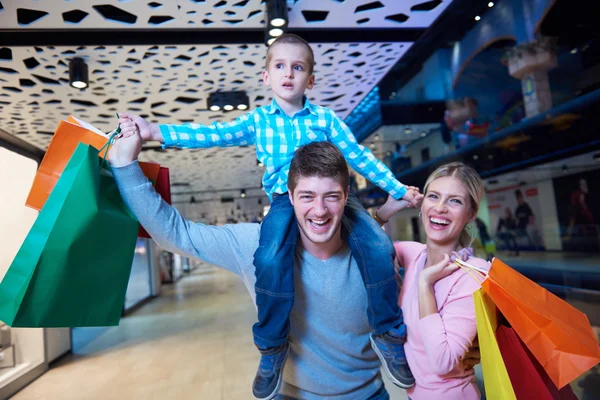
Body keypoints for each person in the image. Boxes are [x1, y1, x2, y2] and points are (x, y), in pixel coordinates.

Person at [117, 33, 420, 399]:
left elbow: (359, 157)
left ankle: (388, 333)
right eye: (280, 66)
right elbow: (213, 134)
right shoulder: (260, 120)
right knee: (269, 257)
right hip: (281, 200)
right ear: (266, 76)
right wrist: (153, 132)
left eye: (298, 67)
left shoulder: (325, 118)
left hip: (341, 196)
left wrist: (397, 188)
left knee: (377, 245)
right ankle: (273, 347)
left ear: (311, 79)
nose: (288, 74)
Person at [108, 138, 478, 399]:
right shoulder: (257, 245)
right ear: (289, 197)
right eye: (307, 197)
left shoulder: (381, 254)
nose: (319, 210)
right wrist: (125, 166)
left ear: (346, 198)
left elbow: (429, 302)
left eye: (331, 196)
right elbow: (176, 234)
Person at [375, 162, 490, 399]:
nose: (440, 207)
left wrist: (425, 285)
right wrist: (385, 211)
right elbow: (361, 250)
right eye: (434, 196)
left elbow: (443, 361)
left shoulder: (473, 274)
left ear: (471, 213)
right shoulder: (414, 255)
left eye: (454, 201)